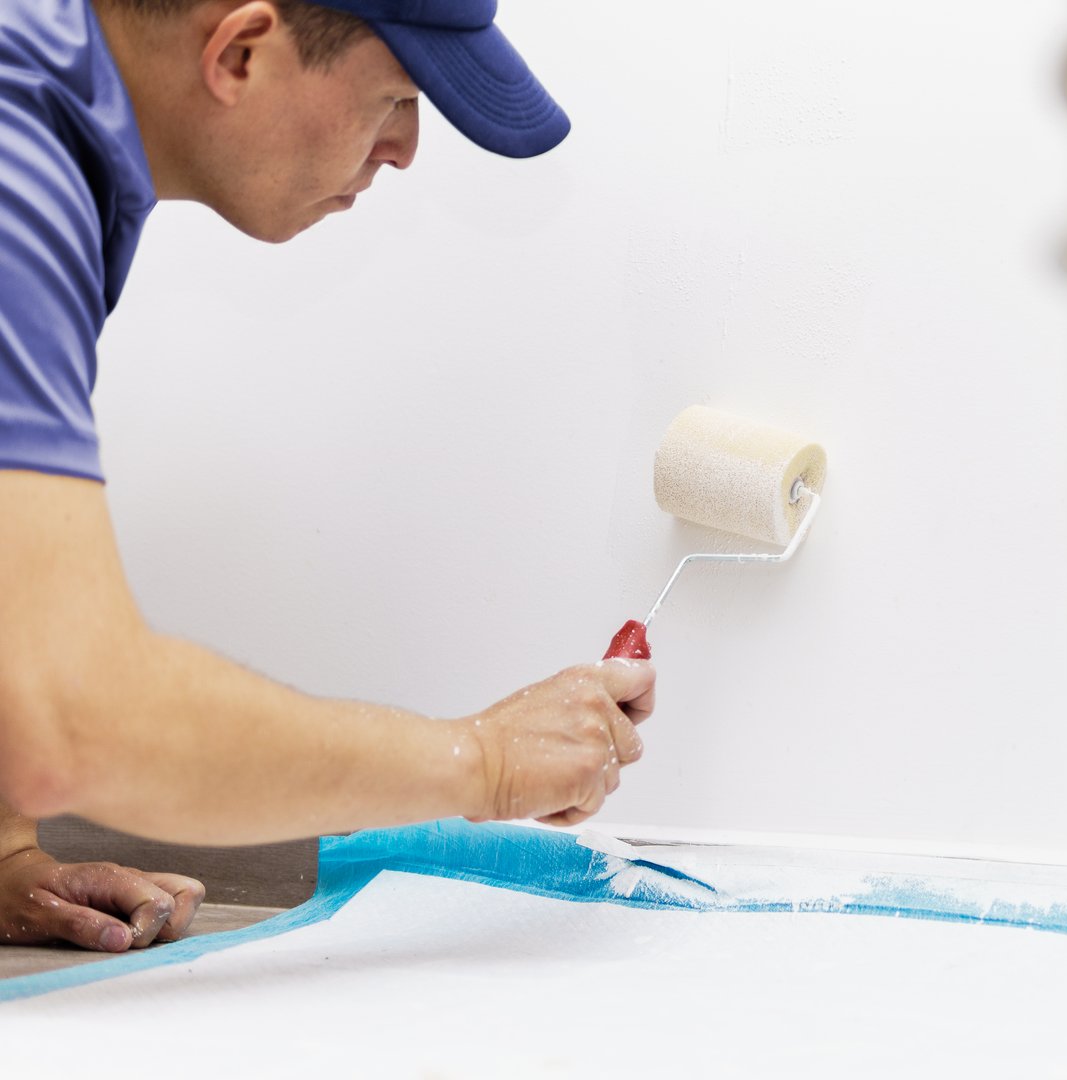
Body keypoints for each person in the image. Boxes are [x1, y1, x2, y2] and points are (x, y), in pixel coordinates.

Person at [0, 0, 655, 955]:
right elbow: (76, 717)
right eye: (394, 95)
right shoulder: (18, 171)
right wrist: (484, 762)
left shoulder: (68, 143)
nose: (406, 148)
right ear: (242, 50)